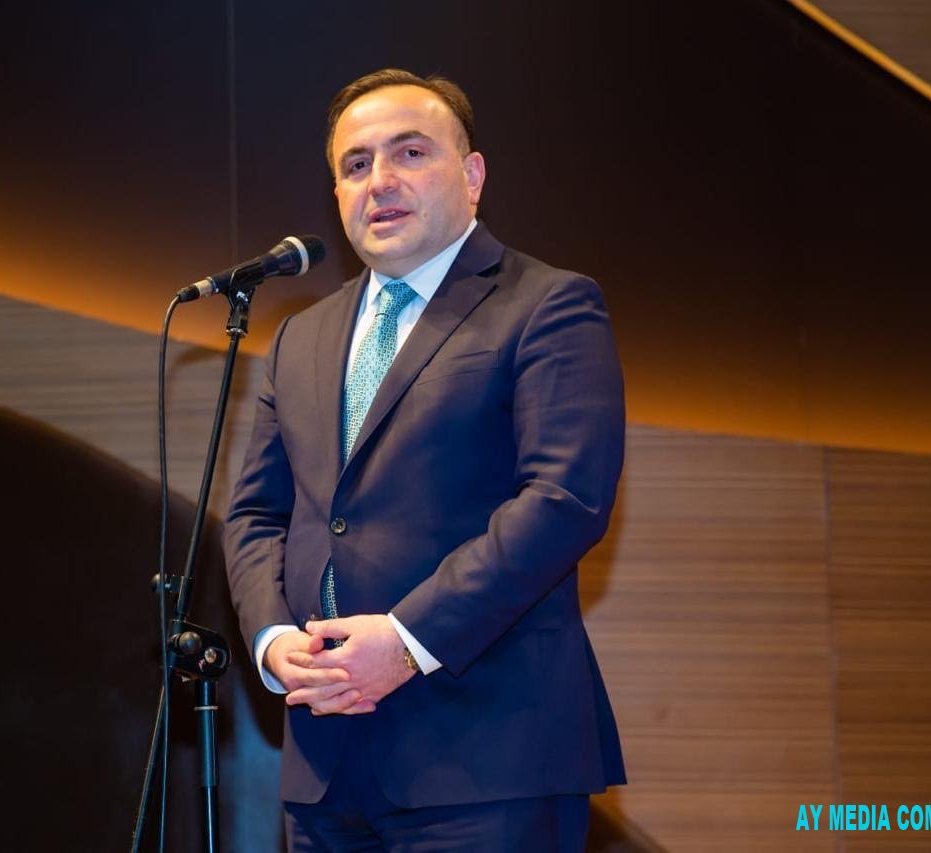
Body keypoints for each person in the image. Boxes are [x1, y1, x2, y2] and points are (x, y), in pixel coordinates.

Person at [224, 68, 626, 851]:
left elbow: (563, 498)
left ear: (472, 176)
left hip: (488, 760)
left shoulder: (547, 303)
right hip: (325, 765)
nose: (380, 180)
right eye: (356, 164)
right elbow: (256, 514)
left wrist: (406, 640)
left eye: (410, 152)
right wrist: (273, 641)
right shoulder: (300, 335)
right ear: (337, 195)